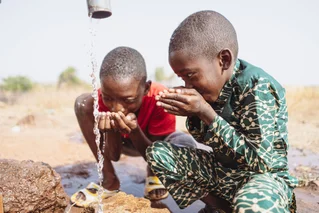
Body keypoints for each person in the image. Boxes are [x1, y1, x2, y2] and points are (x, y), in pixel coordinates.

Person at [146, 10, 298, 213]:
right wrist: (194, 114)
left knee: (252, 205)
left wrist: (205, 112)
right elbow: (206, 141)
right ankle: (221, 208)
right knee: (158, 153)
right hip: (225, 174)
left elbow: (261, 163)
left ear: (224, 60)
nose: (188, 85)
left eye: (191, 75)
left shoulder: (255, 85)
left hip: (264, 181)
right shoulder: (212, 91)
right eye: (182, 78)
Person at [70, 46, 188, 207]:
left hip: (150, 144)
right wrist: (111, 132)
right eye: (108, 98)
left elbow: (156, 155)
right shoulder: (98, 102)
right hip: (121, 144)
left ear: (145, 88)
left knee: (184, 140)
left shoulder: (159, 98)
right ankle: (109, 179)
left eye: (128, 100)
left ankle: (152, 175)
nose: (116, 108)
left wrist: (134, 130)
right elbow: (115, 156)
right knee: (81, 103)